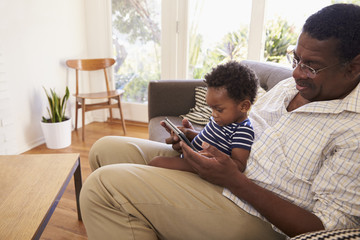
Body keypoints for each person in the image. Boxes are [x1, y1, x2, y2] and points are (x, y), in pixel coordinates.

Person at [79, 3, 360, 240]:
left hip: (256, 214)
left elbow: (327, 230)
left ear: (354, 67)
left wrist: (233, 180)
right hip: (227, 176)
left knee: (102, 187)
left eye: (311, 66)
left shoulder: (353, 130)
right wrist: (195, 138)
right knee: (105, 149)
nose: (297, 73)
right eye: (296, 59)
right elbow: (242, 130)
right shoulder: (290, 88)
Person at [149, 61, 258, 173]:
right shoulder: (221, 120)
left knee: (157, 163)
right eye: (212, 108)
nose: (213, 114)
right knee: (155, 162)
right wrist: (187, 134)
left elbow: (239, 166)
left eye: (219, 109)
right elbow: (212, 139)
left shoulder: (243, 131)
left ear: (244, 106)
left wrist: (212, 159)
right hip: (192, 158)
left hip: (202, 169)